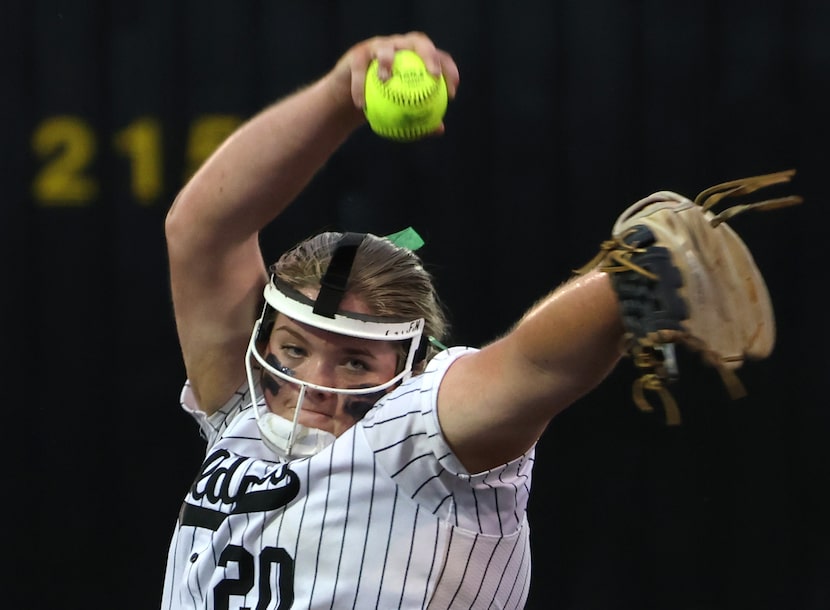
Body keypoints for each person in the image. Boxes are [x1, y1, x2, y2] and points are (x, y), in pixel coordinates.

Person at [161, 31, 795, 609]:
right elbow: (199, 231)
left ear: (414, 364)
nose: (313, 382)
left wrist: (633, 280)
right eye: (294, 349)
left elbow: (532, 362)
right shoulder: (242, 414)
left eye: (355, 359)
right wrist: (337, 97)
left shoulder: (413, 435)